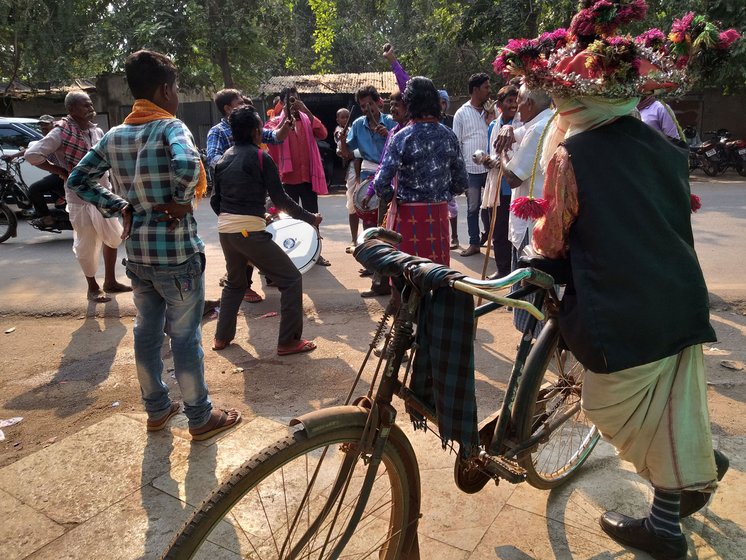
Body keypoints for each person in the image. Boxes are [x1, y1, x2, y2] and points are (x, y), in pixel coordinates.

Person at [493, 3, 737, 558]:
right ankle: (678, 499)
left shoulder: (572, 154)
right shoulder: (666, 148)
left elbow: (552, 241)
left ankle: (681, 487)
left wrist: (536, 257)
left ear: (575, 100)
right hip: (679, 296)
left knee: (605, 408)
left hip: (623, 312)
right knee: (675, 408)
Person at [67, 49, 240, 440]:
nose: (176, 95)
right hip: (178, 256)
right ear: (165, 90)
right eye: (176, 88)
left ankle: (158, 410)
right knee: (185, 338)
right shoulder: (170, 127)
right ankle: (199, 417)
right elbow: (188, 165)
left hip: (139, 257)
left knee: (146, 334)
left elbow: (78, 180)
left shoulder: (114, 135)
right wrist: (180, 201)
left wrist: (120, 205)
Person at [211, 106, 322, 355]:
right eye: (261, 128)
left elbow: (215, 202)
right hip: (248, 231)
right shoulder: (261, 157)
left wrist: (235, 219)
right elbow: (280, 198)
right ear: (254, 131)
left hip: (226, 231)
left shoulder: (223, 159)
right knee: (291, 279)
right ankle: (288, 341)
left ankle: (221, 337)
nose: (262, 132)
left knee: (235, 284)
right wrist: (309, 218)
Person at [25, 91, 130, 303]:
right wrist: (61, 171)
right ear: (72, 110)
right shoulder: (60, 133)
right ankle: (92, 287)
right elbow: (32, 155)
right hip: (79, 199)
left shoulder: (97, 131)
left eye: (91, 104)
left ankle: (110, 281)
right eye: (85, 105)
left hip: (104, 195)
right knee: (87, 244)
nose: (91, 108)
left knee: (113, 237)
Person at [372, 76, 467, 267]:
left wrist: (394, 197)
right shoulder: (449, 136)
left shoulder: (401, 137)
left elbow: (380, 182)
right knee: (437, 274)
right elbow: (461, 182)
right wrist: (443, 194)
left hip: (408, 217)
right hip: (438, 216)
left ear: (409, 104)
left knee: (408, 273)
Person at [206, 89, 291, 305]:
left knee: (256, 236)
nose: (244, 103)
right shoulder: (218, 132)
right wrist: (239, 167)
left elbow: (276, 137)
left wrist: (286, 123)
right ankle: (243, 285)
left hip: (253, 196)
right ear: (227, 108)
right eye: (239, 101)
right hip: (234, 198)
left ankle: (249, 280)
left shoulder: (252, 133)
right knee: (245, 240)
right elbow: (214, 160)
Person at [500, 84, 553, 334]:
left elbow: (513, 178)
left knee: (531, 288)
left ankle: (533, 343)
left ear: (530, 103)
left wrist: (501, 156)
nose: (515, 106)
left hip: (532, 223)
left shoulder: (540, 129)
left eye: (518, 101)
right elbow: (517, 132)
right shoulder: (547, 121)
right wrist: (508, 127)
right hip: (544, 219)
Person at [264, 86, 331, 267]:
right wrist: (285, 117)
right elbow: (270, 138)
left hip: (307, 177)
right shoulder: (275, 122)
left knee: (312, 217)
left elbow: (323, 133)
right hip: (286, 178)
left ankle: (316, 253)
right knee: (287, 219)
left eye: (295, 99)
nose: (293, 103)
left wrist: (306, 111)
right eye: (289, 100)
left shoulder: (307, 119)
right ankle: (290, 254)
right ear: (282, 102)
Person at [1, 115, 66, 222]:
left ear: (53, 124)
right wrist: (13, 156)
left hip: (63, 173)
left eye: (46, 124)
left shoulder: (55, 136)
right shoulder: (48, 137)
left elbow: (31, 151)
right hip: (60, 172)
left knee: (34, 189)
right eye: (41, 125)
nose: (43, 127)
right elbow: (30, 149)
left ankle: (47, 217)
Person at [453, 73, 491, 256]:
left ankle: (493, 241)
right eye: (486, 87)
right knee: (473, 208)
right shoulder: (461, 113)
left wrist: (492, 118)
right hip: (471, 170)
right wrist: (459, 171)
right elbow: (456, 143)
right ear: (475, 90)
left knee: (492, 206)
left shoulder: (492, 111)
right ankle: (474, 243)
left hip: (491, 167)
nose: (489, 91)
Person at [485, 85, 518, 279]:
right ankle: (502, 268)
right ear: (499, 105)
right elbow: (491, 150)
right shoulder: (493, 126)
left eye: (516, 101)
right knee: (498, 229)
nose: (513, 105)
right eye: (509, 101)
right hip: (497, 183)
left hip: (514, 182)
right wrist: (489, 161)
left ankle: (514, 270)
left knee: (514, 230)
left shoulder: (521, 124)